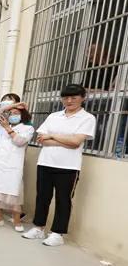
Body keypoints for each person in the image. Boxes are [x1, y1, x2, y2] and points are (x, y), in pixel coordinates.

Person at [22, 84, 97, 247]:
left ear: (83, 98)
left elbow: (76, 142)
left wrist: (52, 136)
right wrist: (63, 140)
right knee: (42, 197)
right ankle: (38, 228)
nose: (69, 101)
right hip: (45, 162)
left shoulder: (87, 118)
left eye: (74, 98)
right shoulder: (54, 116)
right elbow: (42, 139)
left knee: (63, 200)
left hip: (69, 166)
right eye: (65, 98)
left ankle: (57, 233)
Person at [0, 96, 35, 232]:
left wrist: (8, 128)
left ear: (23, 115)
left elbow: (19, 141)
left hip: (12, 165)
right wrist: (12, 106)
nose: (13, 115)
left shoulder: (27, 128)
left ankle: (17, 222)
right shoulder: (0, 125)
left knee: (13, 193)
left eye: (16, 113)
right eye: (11, 113)